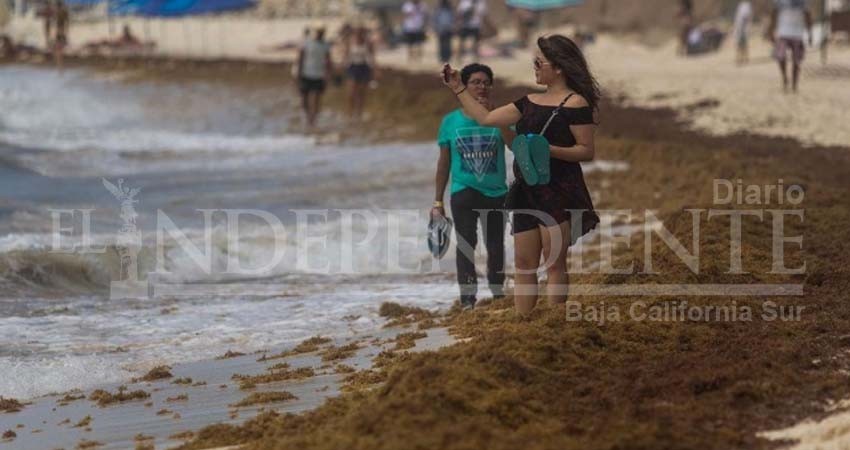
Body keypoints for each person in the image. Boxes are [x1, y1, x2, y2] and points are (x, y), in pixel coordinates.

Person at [441, 35, 600, 315]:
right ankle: (523, 323)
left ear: (558, 67)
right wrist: (458, 89)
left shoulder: (575, 103)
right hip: (527, 190)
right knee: (524, 264)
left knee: (554, 263)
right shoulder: (527, 101)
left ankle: (555, 323)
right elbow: (486, 118)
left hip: (559, 188)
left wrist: (547, 150)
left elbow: (586, 151)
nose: (535, 67)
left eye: (539, 62)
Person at [434, 63, 515, 310]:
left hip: (496, 192)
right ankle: (467, 298)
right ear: (465, 87)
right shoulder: (451, 121)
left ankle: (498, 291)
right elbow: (444, 163)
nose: (481, 87)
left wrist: (498, 120)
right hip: (463, 191)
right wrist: (437, 201)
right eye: (475, 82)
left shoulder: (502, 115)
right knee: (466, 243)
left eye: (485, 82)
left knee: (495, 244)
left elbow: (513, 146)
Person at [767, 0, 813, 93]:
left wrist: (810, 33)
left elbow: (808, 16)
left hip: (797, 33)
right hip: (783, 32)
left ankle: (794, 84)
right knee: (781, 56)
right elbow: (773, 13)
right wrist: (770, 30)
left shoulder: (803, 2)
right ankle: (785, 77)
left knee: (796, 61)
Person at [297, 26, 333, 128]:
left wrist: (328, 74)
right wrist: (298, 74)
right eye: (319, 32)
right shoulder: (306, 43)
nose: (320, 34)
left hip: (319, 75)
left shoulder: (325, 45)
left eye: (322, 32)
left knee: (317, 99)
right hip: (306, 73)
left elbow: (328, 61)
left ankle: (313, 121)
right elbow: (300, 58)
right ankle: (308, 117)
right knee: (304, 99)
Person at [344, 27, 376, 121]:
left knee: (361, 93)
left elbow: (372, 57)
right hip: (353, 67)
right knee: (351, 93)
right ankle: (350, 113)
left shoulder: (368, 44)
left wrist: (375, 70)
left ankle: (359, 113)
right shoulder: (350, 43)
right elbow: (346, 55)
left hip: (364, 67)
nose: (358, 35)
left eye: (360, 33)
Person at [52, 0, 68, 68]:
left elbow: (57, 23)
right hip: (62, 32)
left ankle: (60, 65)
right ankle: (60, 65)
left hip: (59, 32)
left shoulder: (59, 13)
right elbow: (67, 23)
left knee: (58, 50)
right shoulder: (63, 12)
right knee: (60, 49)